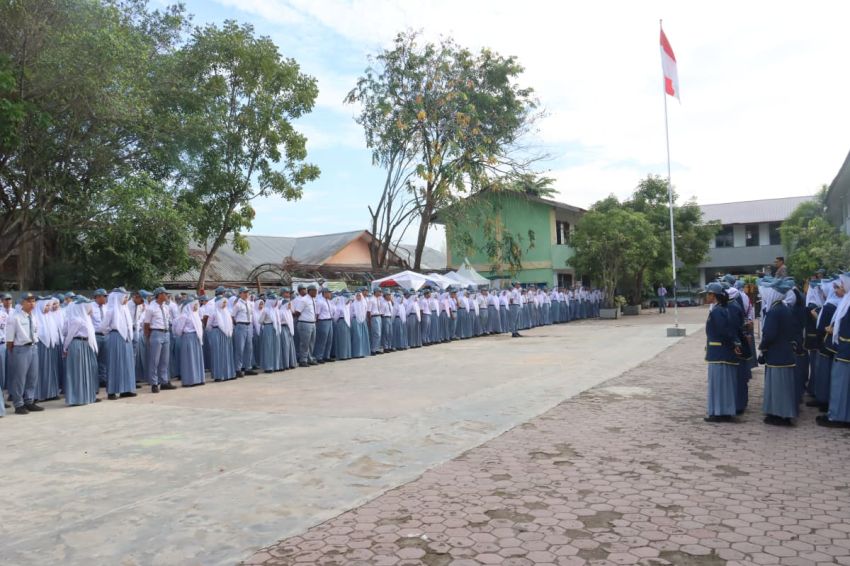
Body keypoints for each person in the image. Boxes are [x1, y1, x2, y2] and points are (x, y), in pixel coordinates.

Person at [758, 277, 798, 426]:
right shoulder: (783, 307)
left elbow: (769, 334)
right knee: (784, 386)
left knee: (778, 386)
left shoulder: (774, 311)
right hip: (785, 353)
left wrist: (762, 347)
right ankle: (781, 413)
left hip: (777, 354)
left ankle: (781, 415)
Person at [703, 282, 740, 423]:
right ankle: (723, 411)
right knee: (724, 383)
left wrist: (733, 342)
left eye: (708, 294)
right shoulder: (722, 308)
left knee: (718, 384)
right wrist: (735, 343)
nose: (706, 296)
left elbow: (724, 331)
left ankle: (719, 412)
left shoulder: (718, 311)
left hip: (719, 352)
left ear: (714, 295)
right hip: (722, 351)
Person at [817, 273, 850, 428]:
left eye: (841, 285)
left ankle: (838, 417)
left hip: (845, 351)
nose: (838, 289)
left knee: (841, 385)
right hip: (842, 349)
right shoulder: (846, 301)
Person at [6, 292, 44, 414]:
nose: (32, 303)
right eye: (29, 301)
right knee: (19, 378)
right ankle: (18, 404)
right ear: (22, 303)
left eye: (33, 301)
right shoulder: (14, 317)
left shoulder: (33, 316)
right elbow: (10, 340)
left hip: (33, 347)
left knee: (32, 377)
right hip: (20, 349)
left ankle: (29, 401)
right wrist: (14, 352)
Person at [62, 298, 100, 406]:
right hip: (78, 345)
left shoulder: (86, 319)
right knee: (77, 372)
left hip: (86, 345)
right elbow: (68, 335)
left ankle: (86, 396)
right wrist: (65, 348)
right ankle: (76, 398)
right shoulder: (77, 320)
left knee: (86, 371)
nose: (90, 309)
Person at [101, 288, 137, 400]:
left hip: (126, 338)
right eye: (124, 297)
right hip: (116, 337)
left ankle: (125, 390)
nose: (126, 299)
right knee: (115, 364)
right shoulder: (111, 310)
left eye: (127, 297)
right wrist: (112, 333)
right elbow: (103, 327)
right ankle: (112, 391)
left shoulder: (125, 309)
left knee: (126, 364)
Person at [811, 278, 841, 411]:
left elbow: (823, 326)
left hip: (825, 345)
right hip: (831, 344)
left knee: (824, 373)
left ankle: (823, 400)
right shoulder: (838, 303)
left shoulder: (830, 306)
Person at [143, 287, 175, 393]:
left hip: (166, 333)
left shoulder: (166, 307)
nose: (167, 296)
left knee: (165, 360)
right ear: (159, 295)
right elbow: (146, 324)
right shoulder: (151, 308)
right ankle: (154, 383)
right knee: (154, 360)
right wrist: (147, 337)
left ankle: (164, 381)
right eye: (165, 294)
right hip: (156, 332)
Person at [173, 298, 205, 387]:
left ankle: (198, 379)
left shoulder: (195, 315)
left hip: (196, 338)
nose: (196, 306)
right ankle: (189, 380)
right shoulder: (184, 316)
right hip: (188, 338)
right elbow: (178, 330)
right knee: (189, 359)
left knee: (196, 359)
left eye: (197, 305)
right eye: (194, 305)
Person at [34, 297, 60, 402]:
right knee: (39, 370)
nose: (48, 308)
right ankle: (37, 394)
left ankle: (51, 393)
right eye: (46, 305)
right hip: (40, 346)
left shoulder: (50, 317)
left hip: (50, 347)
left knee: (50, 369)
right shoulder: (35, 317)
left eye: (49, 305)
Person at [206, 295, 236, 381]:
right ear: (218, 303)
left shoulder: (227, 312)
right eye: (223, 302)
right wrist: (215, 332)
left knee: (227, 353)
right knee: (218, 354)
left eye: (225, 302)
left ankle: (228, 374)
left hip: (226, 334)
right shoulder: (214, 312)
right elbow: (208, 326)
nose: (224, 304)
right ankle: (219, 376)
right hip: (217, 333)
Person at [232, 287, 257, 378]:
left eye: (247, 292)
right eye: (244, 292)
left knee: (249, 347)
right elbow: (233, 316)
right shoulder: (238, 304)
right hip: (241, 325)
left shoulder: (250, 304)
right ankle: (238, 368)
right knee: (240, 348)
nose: (246, 294)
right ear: (240, 294)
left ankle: (248, 367)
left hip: (249, 325)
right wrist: (238, 324)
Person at [293, 285, 318, 366]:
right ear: (309, 291)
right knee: (305, 343)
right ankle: (303, 360)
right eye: (314, 291)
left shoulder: (313, 299)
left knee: (311, 343)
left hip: (312, 323)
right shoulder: (304, 300)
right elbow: (297, 312)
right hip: (304, 323)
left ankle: (309, 358)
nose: (316, 292)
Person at [258, 294, 282, 372]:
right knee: (268, 347)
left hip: (275, 329)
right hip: (268, 328)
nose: (276, 303)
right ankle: (268, 367)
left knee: (276, 347)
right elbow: (260, 321)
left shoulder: (276, 310)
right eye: (275, 301)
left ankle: (276, 365)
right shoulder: (266, 310)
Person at [91, 288, 109, 390]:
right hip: (95, 335)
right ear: (98, 297)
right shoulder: (91, 307)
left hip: (105, 335)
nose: (106, 298)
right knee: (94, 359)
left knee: (104, 359)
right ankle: (95, 381)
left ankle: (103, 379)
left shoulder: (106, 308)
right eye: (104, 296)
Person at [314, 288, 335, 363]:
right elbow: (317, 314)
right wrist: (316, 323)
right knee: (322, 340)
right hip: (322, 321)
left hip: (329, 320)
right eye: (329, 292)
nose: (330, 294)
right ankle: (319, 356)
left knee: (329, 339)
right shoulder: (320, 302)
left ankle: (327, 356)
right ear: (324, 293)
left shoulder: (329, 302)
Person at [350, 290, 371, 358]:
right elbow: (350, 313)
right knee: (357, 337)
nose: (358, 297)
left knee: (363, 337)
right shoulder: (353, 303)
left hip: (363, 321)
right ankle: (357, 353)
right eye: (357, 295)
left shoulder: (364, 302)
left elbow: (365, 311)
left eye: (359, 295)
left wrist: (364, 319)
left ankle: (363, 353)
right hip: (355, 321)